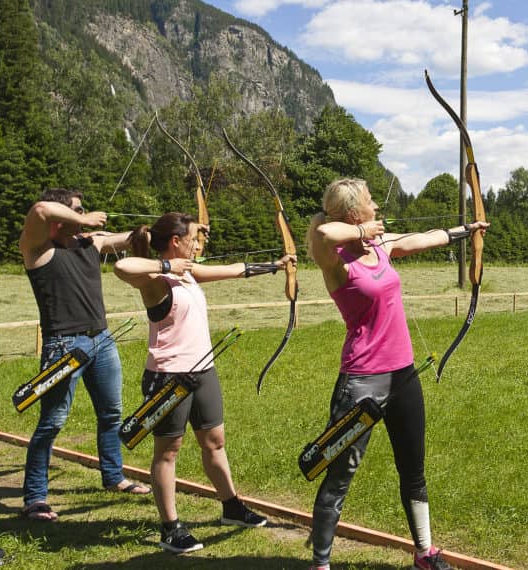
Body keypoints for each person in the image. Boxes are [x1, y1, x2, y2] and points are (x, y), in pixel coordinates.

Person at [304, 178, 488, 570]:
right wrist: (358, 232)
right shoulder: (333, 257)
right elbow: (323, 229)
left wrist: (466, 230)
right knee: (340, 474)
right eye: (370, 202)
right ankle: (320, 562)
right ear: (355, 213)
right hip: (361, 381)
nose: (377, 208)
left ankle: (424, 552)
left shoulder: (380, 246)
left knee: (413, 466)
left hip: (403, 375)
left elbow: (424, 238)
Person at [114, 212, 295, 554]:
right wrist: (167, 268)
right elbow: (121, 269)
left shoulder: (190, 274)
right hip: (168, 376)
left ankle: (232, 507)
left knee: (214, 441)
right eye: (194, 238)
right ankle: (170, 528)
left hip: (203, 372)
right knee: (167, 452)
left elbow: (234, 270)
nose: (199, 245)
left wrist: (275, 264)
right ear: (175, 243)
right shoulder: (156, 280)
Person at [19, 188, 152, 523]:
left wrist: (157, 234)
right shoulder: (38, 249)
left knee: (111, 414)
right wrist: (83, 220)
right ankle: (35, 497)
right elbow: (39, 209)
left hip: (101, 341)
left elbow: (129, 237)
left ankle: (114, 477)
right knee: (52, 422)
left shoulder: (91, 242)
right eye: (76, 211)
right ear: (60, 218)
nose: (83, 216)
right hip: (63, 347)